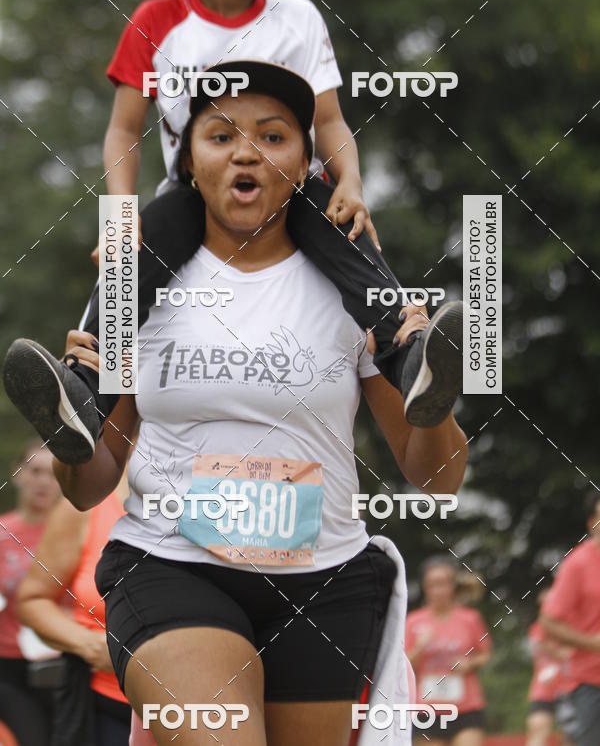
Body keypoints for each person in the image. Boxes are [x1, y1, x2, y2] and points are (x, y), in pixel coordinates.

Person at [51, 64, 467, 746]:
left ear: (306, 164)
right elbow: (89, 485)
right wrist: (73, 446)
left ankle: (433, 379)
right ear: (189, 161)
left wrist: (436, 401)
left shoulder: (356, 291)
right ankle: (70, 406)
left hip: (324, 582)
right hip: (168, 566)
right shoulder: (141, 283)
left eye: (273, 136)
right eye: (220, 135)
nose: (246, 152)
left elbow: (438, 476)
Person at [2, 0, 463, 466]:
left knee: (349, 237)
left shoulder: (297, 19)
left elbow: (328, 122)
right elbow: (122, 128)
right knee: (131, 263)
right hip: (191, 192)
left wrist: (349, 180)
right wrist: (118, 211)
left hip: (300, 187)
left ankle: (409, 354)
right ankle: (84, 390)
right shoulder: (158, 24)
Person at [17, 462, 132, 745]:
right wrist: (91, 646)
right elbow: (33, 599)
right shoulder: (86, 506)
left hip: (199, 707)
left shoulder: (222, 500)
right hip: (104, 706)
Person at [0, 439, 60, 744]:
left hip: (69, 663)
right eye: (35, 471)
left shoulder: (76, 533)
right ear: (18, 473)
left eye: (52, 474)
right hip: (10, 664)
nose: (43, 482)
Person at [405, 556, 491, 745]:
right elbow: (404, 667)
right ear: (425, 587)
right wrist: (419, 648)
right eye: (433, 585)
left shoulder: (470, 619)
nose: (438, 591)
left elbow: (485, 654)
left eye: (443, 584)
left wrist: (470, 663)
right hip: (426, 709)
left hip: (466, 707)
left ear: (453, 586)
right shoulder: (413, 621)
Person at [541, 490, 600, 746]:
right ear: (592, 523)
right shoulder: (577, 563)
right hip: (591, 682)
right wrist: (593, 643)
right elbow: (548, 622)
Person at [526, 587, 572, 746]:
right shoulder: (538, 628)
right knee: (538, 729)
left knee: (571, 735)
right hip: (544, 688)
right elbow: (543, 648)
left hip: (570, 687)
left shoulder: (572, 626)